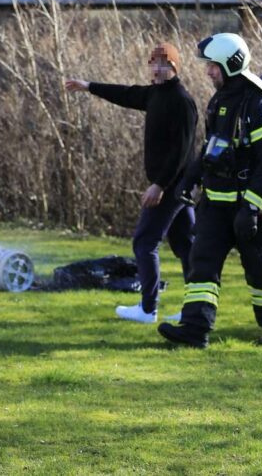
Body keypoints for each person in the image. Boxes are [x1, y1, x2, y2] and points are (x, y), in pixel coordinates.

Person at [158, 32, 262, 349]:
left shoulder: (261, 104)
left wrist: (251, 208)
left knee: (260, 269)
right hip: (215, 205)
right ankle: (194, 330)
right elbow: (211, 147)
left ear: (231, 64)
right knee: (201, 263)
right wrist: (190, 179)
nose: (208, 72)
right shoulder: (219, 101)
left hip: (251, 209)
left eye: (213, 66)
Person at [65, 42, 198, 323]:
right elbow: (125, 94)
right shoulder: (154, 94)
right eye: (154, 63)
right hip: (174, 187)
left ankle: (148, 309)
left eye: (164, 64)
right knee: (187, 246)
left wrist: (159, 185)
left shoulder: (181, 101)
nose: (157, 69)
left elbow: (182, 151)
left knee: (144, 243)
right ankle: (196, 309)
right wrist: (88, 86)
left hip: (172, 187)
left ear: (174, 67)